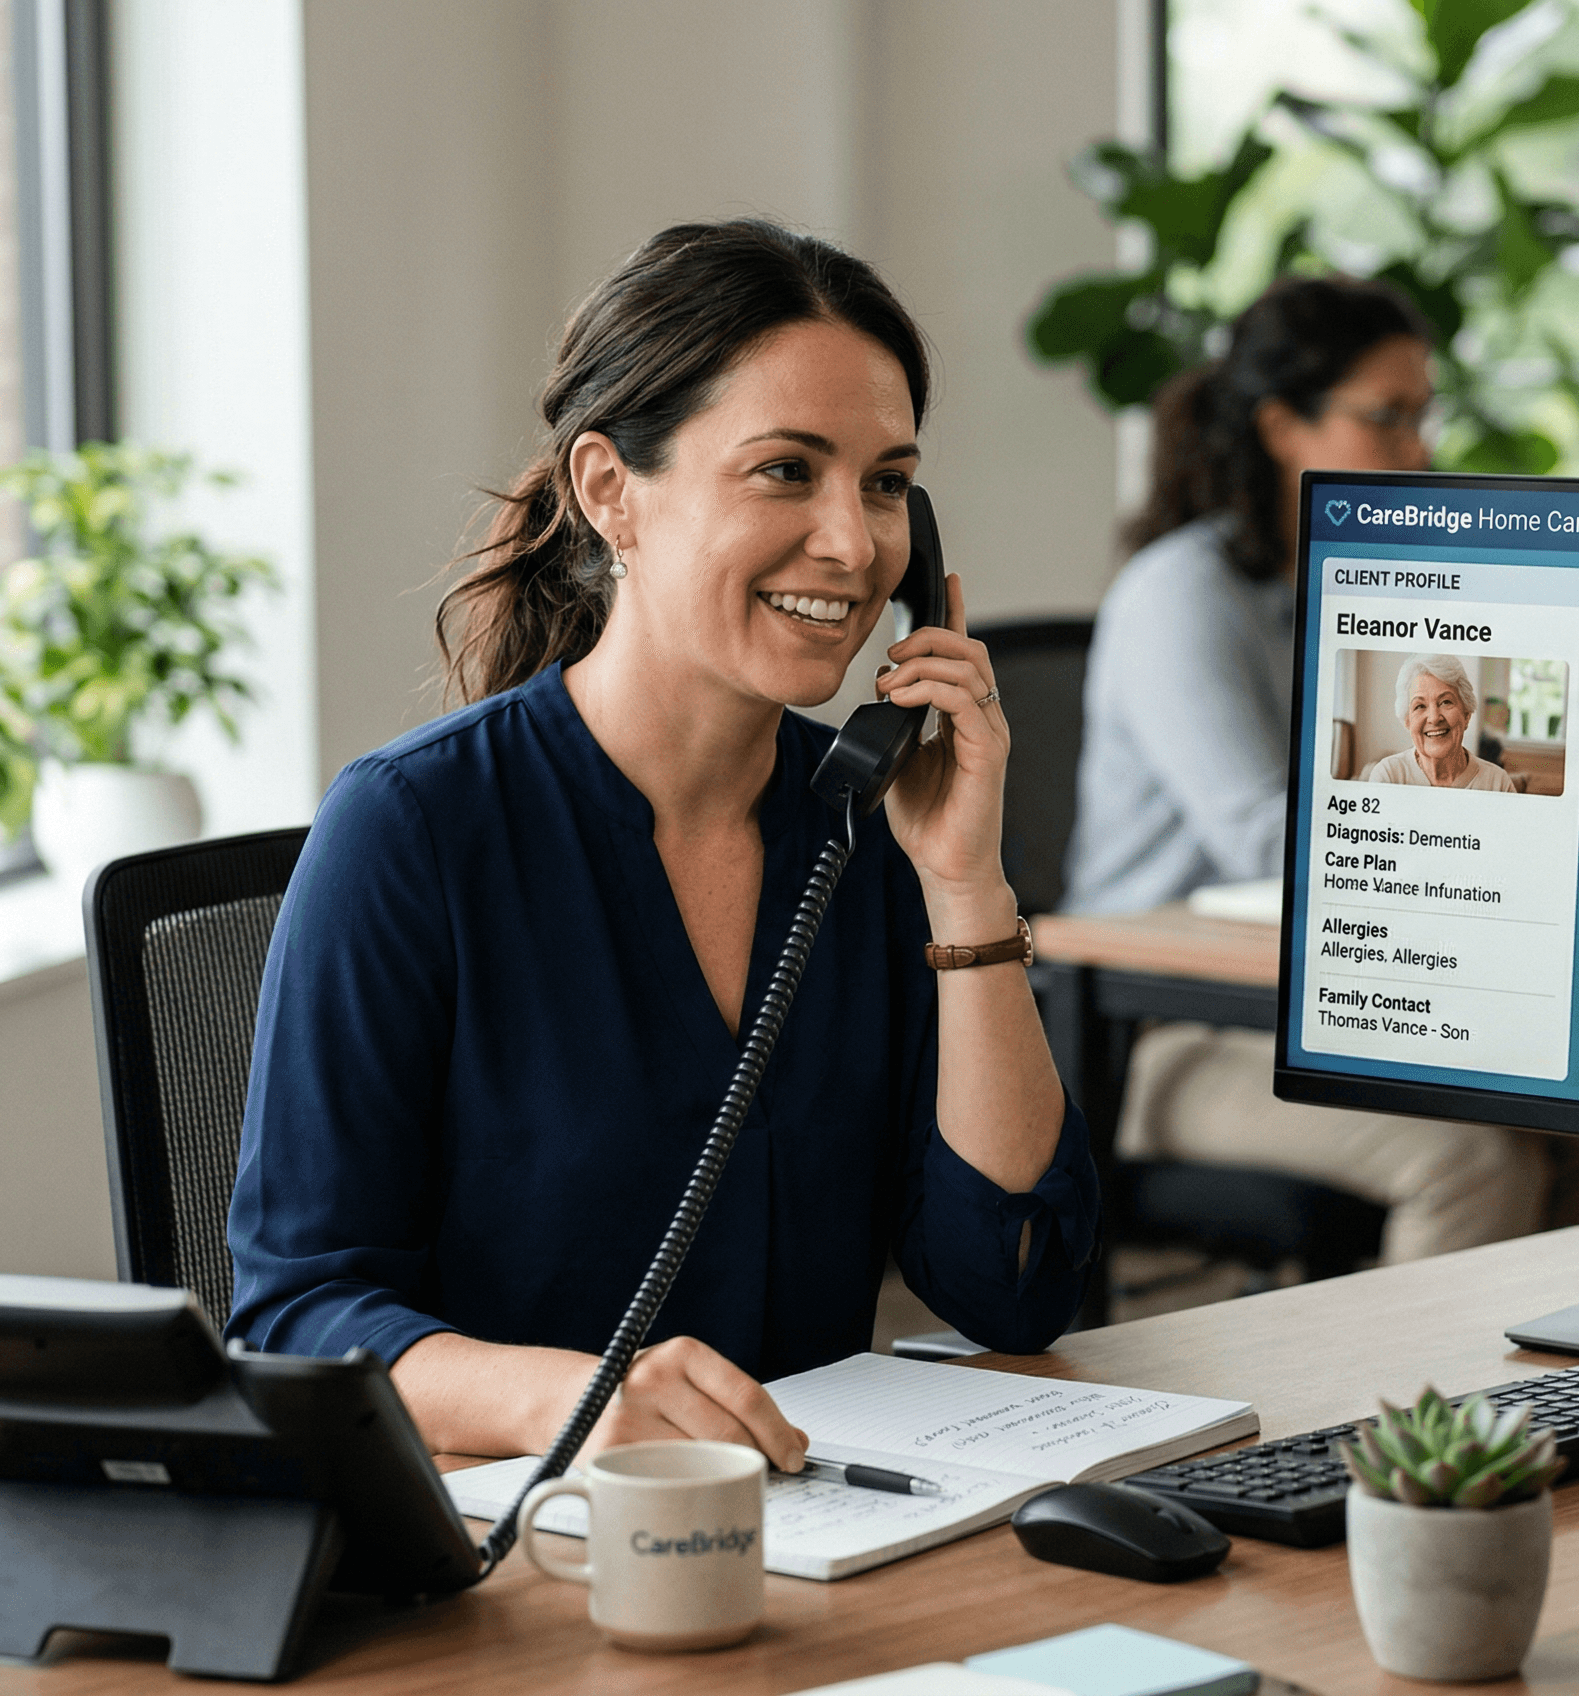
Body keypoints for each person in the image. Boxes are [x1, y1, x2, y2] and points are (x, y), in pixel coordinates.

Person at [225, 221, 1096, 1470]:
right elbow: (298, 1319)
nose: (854, 544)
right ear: (608, 490)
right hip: (528, 1525)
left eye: (885, 483)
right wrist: (579, 1402)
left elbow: (1011, 1287)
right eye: (785, 470)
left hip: (807, 1526)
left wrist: (964, 886)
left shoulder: (867, 832)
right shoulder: (412, 830)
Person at [1060, 274, 1558, 1265]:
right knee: (1467, 1159)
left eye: (1421, 416)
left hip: (1324, 993)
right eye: (1386, 417)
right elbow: (1262, 838)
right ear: (1282, 426)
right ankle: (1414, 1379)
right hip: (1158, 1033)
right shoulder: (1180, 595)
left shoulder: (1367, 582)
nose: (1417, 450)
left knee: (1578, 1106)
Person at [1362, 655, 1516, 791]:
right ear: (1407, 721)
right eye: (1419, 706)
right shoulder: (1389, 776)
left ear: (1466, 715)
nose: (1434, 718)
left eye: (1446, 702)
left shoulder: (1498, 783)